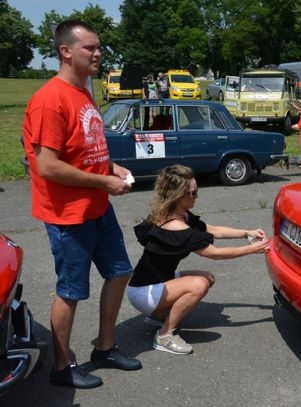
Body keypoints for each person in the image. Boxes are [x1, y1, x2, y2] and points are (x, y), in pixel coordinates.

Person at [22, 20, 142, 390]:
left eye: (99, 47)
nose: (98, 53)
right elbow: (47, 165)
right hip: (67, 215)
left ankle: (105, 347)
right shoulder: (49, 99)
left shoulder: (84, 93)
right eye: (90, 48)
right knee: (71, 291)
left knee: (120, 271)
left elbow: (86, 148)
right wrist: (103, 181)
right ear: (65, 51)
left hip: (97, 207)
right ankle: (61, 366)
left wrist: (111, 167)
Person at [127, 164, 270, 355]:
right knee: (199, 284)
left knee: (208, 277)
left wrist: (246, 233)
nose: (196, 197)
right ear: (178, 195)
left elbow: (214, 230)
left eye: (196, 192)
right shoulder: (176, 226)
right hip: (144, 292)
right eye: (192, 193)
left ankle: (159, 315)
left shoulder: (176, 213)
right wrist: (252, 249)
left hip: (155, 282)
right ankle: (164, 335)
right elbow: (214, 253)